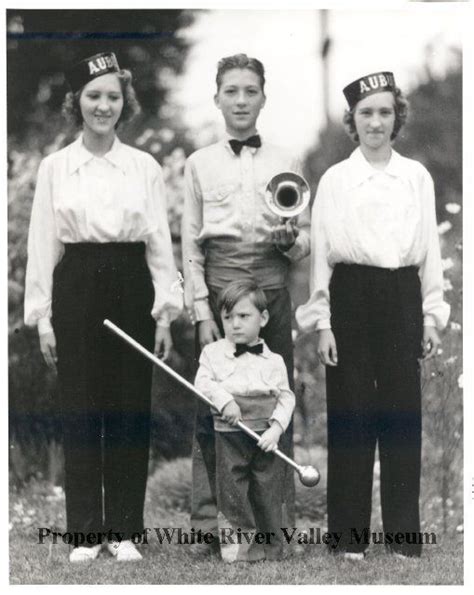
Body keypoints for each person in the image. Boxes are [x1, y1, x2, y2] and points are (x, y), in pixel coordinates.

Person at [24, 52, 182, 563]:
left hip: (132, 284)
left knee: (128, 408)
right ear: (78, 102)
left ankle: (124, 532)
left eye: (113, 96)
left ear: (125, 102)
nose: (104, 105)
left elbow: (159, 241)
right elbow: (43, 243)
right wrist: (43, 317)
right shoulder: (56, 167)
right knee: (82, 408)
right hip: (77, 287)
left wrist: (164, 309)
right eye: (94, 96)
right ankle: (86, 533)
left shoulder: (144, 167)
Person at [296, 71, 450, 559]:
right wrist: (323, 323)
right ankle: (348, 539)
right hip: (350, 297)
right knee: (351, 415)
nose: (376, 122)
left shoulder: (416, 177)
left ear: (397, 116)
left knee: (402, 416)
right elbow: (321, 253)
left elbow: (429, 249)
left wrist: (430, 315)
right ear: (353, 120)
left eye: (385, 112)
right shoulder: (337, 179)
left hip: (402, 294)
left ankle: (404, 539)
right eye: (367, 113)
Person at [181, 53, 310, 554]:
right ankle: (210, 527)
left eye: (250, 90)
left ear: (263, 97)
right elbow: (191, 244)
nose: (240, 100)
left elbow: (303, 245)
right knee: (211, 408)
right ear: (217, 98)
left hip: (272, 295)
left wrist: (288, 240)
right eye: (230, 91)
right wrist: (200, 311)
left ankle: (275, 531)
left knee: (275, 403)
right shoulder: (198, 163)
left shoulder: (288, 159)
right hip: (220, 293)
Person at [194, 279, 295, 562]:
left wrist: (276, 429)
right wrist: (224, 399)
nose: (235, 324)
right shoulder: (212, 354)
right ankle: (237, 550)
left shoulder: (274, 361)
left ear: (263, 318)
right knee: (232, 492)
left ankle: (271, 548)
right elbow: (201, 382)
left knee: (267, 490)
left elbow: (286, 398)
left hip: (265, 436)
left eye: (243, 316)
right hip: (229, 433)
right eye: (228, 317)